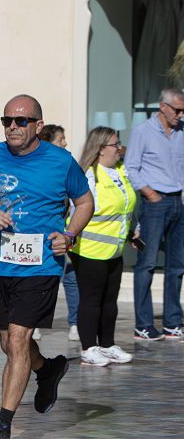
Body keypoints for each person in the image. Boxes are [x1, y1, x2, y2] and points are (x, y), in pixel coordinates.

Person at [0, 94, 93, 439]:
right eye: (7, 121)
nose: (13, 127)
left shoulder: (60, 161)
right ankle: (47, 369)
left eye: (21, 121)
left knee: (18, 340)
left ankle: (2, 425)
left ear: (38, 125)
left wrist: (68, 235)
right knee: (9, 344)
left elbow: (85, 203)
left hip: (41, 265)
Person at [70, 127, 136, 366]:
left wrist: (131, 232)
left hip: (114, 249)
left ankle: (107, 345)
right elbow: (79, 210)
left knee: (110, 300)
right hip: (90, 248)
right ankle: (89, 347)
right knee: (91, 300)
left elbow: (125, 207)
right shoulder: (88, 175)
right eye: (115, 144)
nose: (119, 148)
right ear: (100, 149)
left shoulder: (120, 170)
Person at [125, 86, 184, 341]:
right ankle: (144, 324)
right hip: (154, 203)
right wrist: (149, 193)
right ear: (163, 107)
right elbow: (131, 167)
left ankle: (172, 322)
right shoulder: (143, 132)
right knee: (147, 264)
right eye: (177, 110)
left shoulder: (182, 132)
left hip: (178, 202)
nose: (181, 115)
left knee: (177, 266)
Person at [40, 123, 79, 341]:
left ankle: (75, 323)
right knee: (40, 279)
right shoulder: (42, 166)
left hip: (67, 229)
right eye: (60, 139)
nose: (65, 143)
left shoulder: (68, 163)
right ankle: (33, 323)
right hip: (45, 232)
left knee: (71, 276)